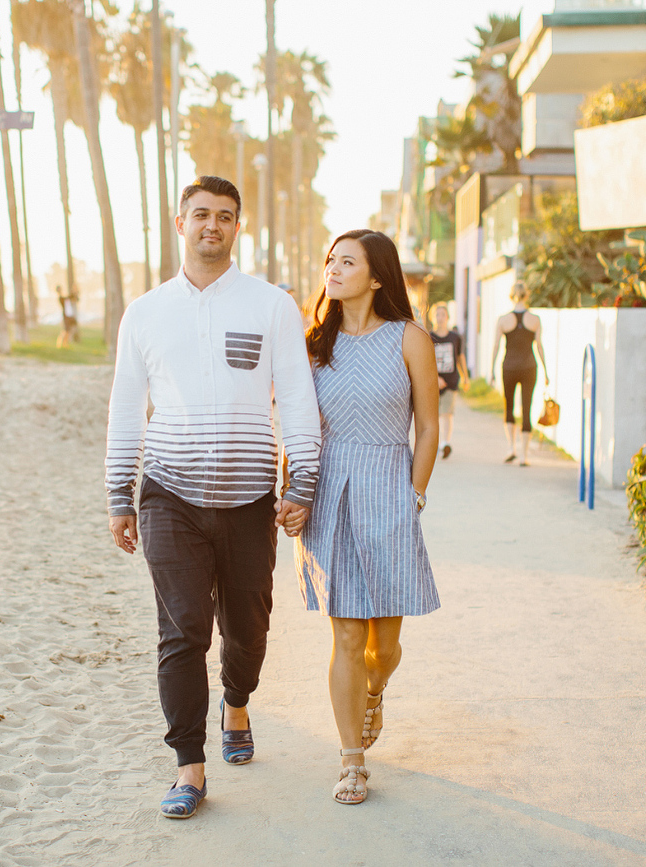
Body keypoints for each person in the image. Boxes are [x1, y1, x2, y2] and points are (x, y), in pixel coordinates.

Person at [105, 175, 321, 819]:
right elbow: (125, 407)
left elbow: (299, 399)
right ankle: (188, 768)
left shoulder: (271, 306)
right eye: (201, 215)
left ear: (237, 228)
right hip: (168, 494)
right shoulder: (145, 312)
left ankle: (237, 702)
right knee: (183, 629)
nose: (213, 226)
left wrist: (299, 482)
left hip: (252, 499)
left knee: (247, 628)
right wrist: (120, 492)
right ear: (180, 223)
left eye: (225, 217)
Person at [292, 229, 440, 805]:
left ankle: (375, 689)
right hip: (331, 493)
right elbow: (301, 430)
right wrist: (293, 490)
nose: (333, 267)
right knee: (347, 634)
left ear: (377, 276)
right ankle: (352, 761)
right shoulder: (313, 344)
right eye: (330, 258)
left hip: (389, 491)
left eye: (346, 261)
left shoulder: (409, 338)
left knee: (385, 647)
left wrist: (415, 494)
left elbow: (426, 427)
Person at [490, 282, 550, 466]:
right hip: (529, 368)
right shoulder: (535, 319)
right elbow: (539, 346)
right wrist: (546, 371)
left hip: (508, 367)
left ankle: (511, 448)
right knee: (527, 408)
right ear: (527, 295)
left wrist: (492, 370)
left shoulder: (502, 320)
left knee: (509, 407)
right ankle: (524, 455)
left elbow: (496, 346)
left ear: (511, 296)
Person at [429, 302, 468, 459]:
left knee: (447, 413)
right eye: (437, 315)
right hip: (433, 382)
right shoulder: (429, 337)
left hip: (451, 380)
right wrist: (435, 378)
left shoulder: (455, 337)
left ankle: (446, 443)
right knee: (435, 415)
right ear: (434, 317)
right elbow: (426, 360)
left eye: (443, 315)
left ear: (448, 317)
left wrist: (465, 377)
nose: (440, 318)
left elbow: (460, 357)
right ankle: (437, 444)